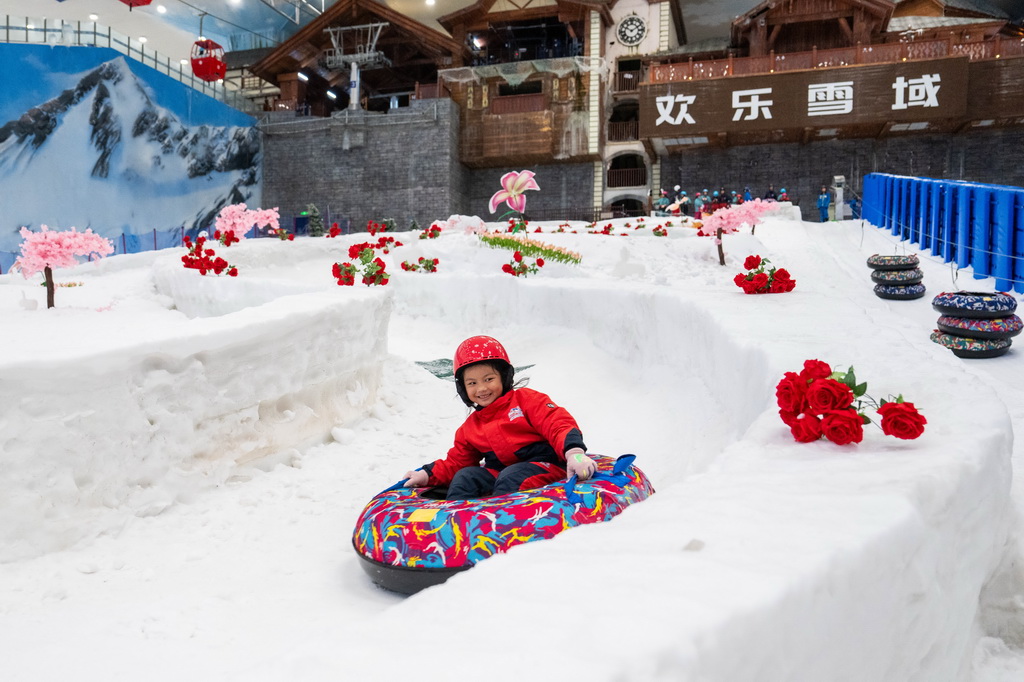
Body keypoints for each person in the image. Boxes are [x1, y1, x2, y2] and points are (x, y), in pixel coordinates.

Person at [402, 336, 596, 500]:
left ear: (504, 377)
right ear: (463, 388)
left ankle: (502, 529)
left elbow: (558, 424)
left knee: (512, 477)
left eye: (489, 379)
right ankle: (455, 527)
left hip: (548, 465)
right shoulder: (471, 428)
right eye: (472, 383)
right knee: (465, 477)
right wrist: (426, 475)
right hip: (502, 472)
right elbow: (457, 463)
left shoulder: (526, 400)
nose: (482, 388)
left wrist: (574, 454)